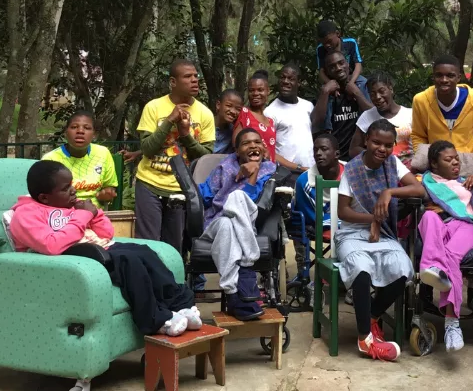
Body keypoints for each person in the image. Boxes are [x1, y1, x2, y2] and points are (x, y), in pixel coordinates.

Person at [9, 161, 201, 337]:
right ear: (45, 197)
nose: (74, 191)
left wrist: (95, 213)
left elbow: (107, 233)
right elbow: (51, 245)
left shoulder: (69, 206)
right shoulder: (25, 215)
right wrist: (82, 216)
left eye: (72, 185)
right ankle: (155, 320)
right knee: (130, 262)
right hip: (73, 259)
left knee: (144, 251)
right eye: (66, 189)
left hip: (99, 248)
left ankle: (182, 305)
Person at [337, 119, 425, 361]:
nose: (382, 149)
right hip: (352, 233)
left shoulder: (392, 164)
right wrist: (372, 219)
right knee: (361, 268)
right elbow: (342, 212)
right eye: (376, 142)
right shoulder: (352, 170)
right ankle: (365, 338)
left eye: (388, 145)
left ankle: (373, 315)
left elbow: (419, 190)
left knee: (403, 268)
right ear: (366, 140)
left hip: (382, 234)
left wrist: (389, 191)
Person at [134, 59, 214, 254]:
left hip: (181, 188)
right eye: (188, 76)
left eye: (196, 76)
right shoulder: (154, 107)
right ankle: (146, 284)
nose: (194, 80)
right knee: (147, 245)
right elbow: (147, 149)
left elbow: (207, 157)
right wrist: (169, 120)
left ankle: (173, 284)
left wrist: (186, 135)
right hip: (149, 184)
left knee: (174, 247)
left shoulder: (205, 113)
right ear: (173, 82)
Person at [198, 129, 277, 320]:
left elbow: (252, 202)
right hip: (215, 221)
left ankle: (233, 295)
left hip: (248, 223)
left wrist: (252, 174)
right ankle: (247, 268)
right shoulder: (223, 168)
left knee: (235, 204)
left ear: (263, 147)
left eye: (257, 142)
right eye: (246, 143)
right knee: (228, 212)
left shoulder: (269, 170)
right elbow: (204, 196)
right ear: (237, 150)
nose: (253, 146)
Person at [418, 140, 473, 353]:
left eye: (456, 158)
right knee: (428, 216)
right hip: (441, 225)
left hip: (467, 225)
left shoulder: (468, 182)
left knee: (450, 256)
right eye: (448, 160)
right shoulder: (426, 181)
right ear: (434, 165)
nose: (455, 162)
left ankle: (452, 323)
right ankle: (433, 269)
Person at [411, 54, 473, 154]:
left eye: (450, 75)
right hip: (436, 164)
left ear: (458, 77)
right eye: (439, 75)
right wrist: (426, 160)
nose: (444, 80)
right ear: (433, 77)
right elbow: (419, 136)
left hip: (468, 162)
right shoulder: (421, 101)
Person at [42, 111, 117, 208]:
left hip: (95, 213)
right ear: (65, 132)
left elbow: (109, 187)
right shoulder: (50, 159)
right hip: (62, 215)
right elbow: (45, 195)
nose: (80, 131)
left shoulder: (103, 153)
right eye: (74, 127)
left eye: (87, 128)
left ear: (94, 134)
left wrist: (105, 195)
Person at [311, 51, 372, 161]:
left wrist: (356, 92)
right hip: (335, 158)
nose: (338, 68)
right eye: (332, 66)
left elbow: (374, 116)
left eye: (341, 63)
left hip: (361, 155)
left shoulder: (362, 84)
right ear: (328, 72)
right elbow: (316, 122)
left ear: (348, 64)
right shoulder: (327, 91)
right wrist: (325, 92)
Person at [349, 71, 414, 168]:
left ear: (391, 89)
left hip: (411, 169)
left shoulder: (410, 114)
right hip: (379, 172)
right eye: (372, 94)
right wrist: (375, 157)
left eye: (382, 91)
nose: (377, 97)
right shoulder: (367, 117)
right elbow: (353, 149)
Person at [265, 64, 315, 175]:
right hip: (285, 174)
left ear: (299, 82)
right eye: (282, 77)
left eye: (291, 79)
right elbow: (268, 151)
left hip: (310, 171)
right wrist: (297, 167)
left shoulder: (308, 106)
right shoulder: (270, 112)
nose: (285, 81)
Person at [292, 133, 345, 231]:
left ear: (336, 154)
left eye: (324, 149)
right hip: (321, 228)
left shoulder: (351, 173)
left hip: (348, 225)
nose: (318, 153)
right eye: (315, 150)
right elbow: (316, 220)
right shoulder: (304, 182)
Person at [232, 70, 279, 163]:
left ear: (268, 91)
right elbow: (236, 145)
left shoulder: (270, 121)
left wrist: (299, 167)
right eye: (251, 90)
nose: (255, 93)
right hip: (252, 170)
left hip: (270, 171)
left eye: (260, 90)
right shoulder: (244, 113)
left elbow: (272, 153)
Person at [316, 20, 363, 86]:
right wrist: (331, 84)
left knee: (363, 83)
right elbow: (321, 72)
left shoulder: (350, 43)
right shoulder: (320, 49)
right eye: (324, 43)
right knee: (325, 90)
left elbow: (358, 65)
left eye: (329, 41)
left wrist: (351, 82)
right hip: (333, 80)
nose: (327, 45)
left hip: (351, 77)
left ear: (337, 33)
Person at [214, 89, 244, 154]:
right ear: (218, 105)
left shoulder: (234, 132)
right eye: (229, 106)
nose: (233, 111)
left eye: (238, 109)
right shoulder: (205, 125)